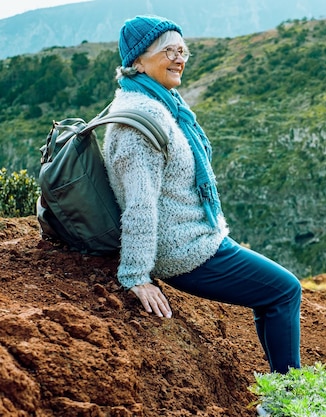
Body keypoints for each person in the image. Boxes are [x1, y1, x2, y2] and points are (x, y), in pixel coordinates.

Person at [103, 15, 301, 375]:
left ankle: (281, 386)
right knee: (284, 290)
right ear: (136, 61)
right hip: (182, 250)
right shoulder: (138, 121)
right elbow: (140, 204)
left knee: (271, 291)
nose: (179, 58)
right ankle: (289, 396)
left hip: (198, 235)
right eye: (168, 51)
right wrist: (136, 275)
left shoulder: (162, 104)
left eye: (183, 50)